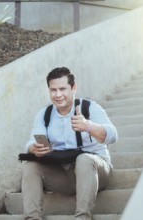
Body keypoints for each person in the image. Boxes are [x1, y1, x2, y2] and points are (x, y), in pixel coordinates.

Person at [22, 67, 118, 220]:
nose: (58, 95)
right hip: (64, 175)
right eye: (53, 90)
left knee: (84, 159)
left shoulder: (89, 107)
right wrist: (33, 148)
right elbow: (32, 141)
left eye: (62, 89)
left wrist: (88, 126)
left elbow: (113, 135)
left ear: (73, 88)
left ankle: (82, 217)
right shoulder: (44, 115)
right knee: (31, 165)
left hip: (96, 172)